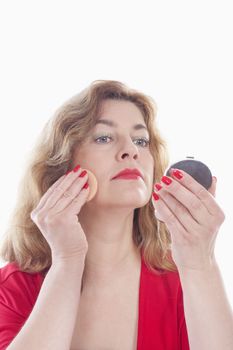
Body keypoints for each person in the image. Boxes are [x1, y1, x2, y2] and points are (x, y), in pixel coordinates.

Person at [0, 80, 232, 350]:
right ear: (62, 167)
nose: (131, 150)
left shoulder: (184, 281)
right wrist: (67, 261)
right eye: (104, 137)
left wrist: (199, 263)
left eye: (140, 140)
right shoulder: (13, 290)